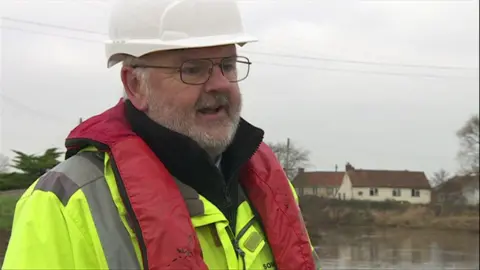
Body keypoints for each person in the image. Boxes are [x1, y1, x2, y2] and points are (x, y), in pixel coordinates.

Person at [2, 0, 321, 269]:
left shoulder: (270, 188)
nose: (220, 84)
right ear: (134, 85)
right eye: (193, 69)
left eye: (228, 65)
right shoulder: (64, 205)